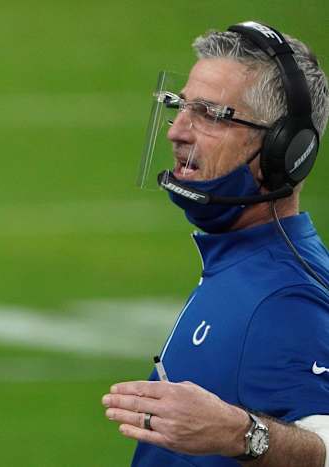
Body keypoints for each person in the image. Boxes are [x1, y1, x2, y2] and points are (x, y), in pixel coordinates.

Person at [103, 22, 329, 466]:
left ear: (283, 150)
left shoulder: (288, 298)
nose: (177, 131)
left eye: (209, 114)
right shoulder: (241, 263)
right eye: (180, 107)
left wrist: (243, 435)